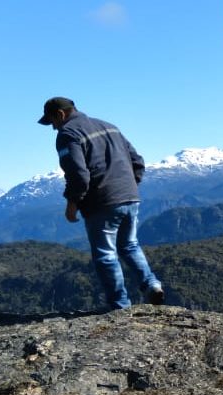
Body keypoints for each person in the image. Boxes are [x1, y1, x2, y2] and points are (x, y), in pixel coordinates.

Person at [38, 97, 164, 310]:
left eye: (52, 122)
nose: (53, 128)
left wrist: (72, 203)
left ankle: (119, 305)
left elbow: (78, 174)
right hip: (130, 197)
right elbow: (138, 161)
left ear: (60, 114)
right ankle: (151, 285)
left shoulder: (68, 134)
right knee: (130, 245)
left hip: (102, 201)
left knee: (105, 255)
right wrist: (129, 186)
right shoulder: (109, 127)